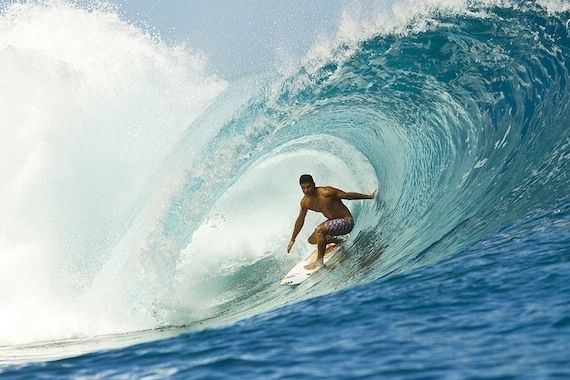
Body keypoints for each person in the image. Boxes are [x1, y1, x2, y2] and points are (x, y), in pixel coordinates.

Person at [287, 174, 375, 270]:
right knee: (312, 240)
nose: (306, 190)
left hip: (346, 221)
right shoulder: (305, 202)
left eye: (308, 187)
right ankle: (338, 239)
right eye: (303, 188)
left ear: (314, 184)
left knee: (319, 230)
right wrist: (292, 239)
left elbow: (348, 196)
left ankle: (319, 262)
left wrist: (369, 196)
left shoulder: (326, 192)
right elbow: (300, 220)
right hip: (333, 222)